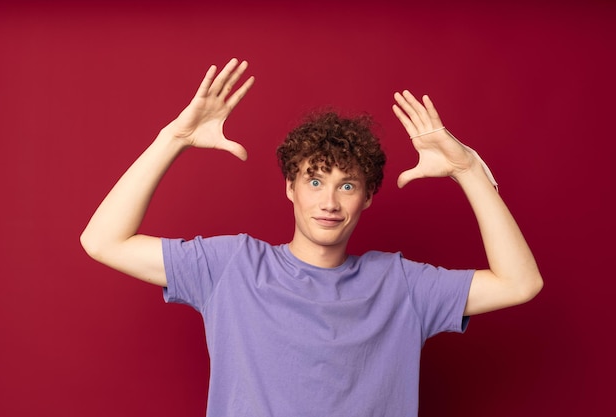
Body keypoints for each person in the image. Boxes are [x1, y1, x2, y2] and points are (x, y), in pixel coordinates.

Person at [80, 58, 543, 416]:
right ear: (290, 188)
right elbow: (103, 241)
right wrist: (174, 137)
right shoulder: (231, 267)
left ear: (367, 199)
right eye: (315, 181)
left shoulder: (400, 284)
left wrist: (467, 171)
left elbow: (520, 283)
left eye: (347, 185)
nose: (329, 202)